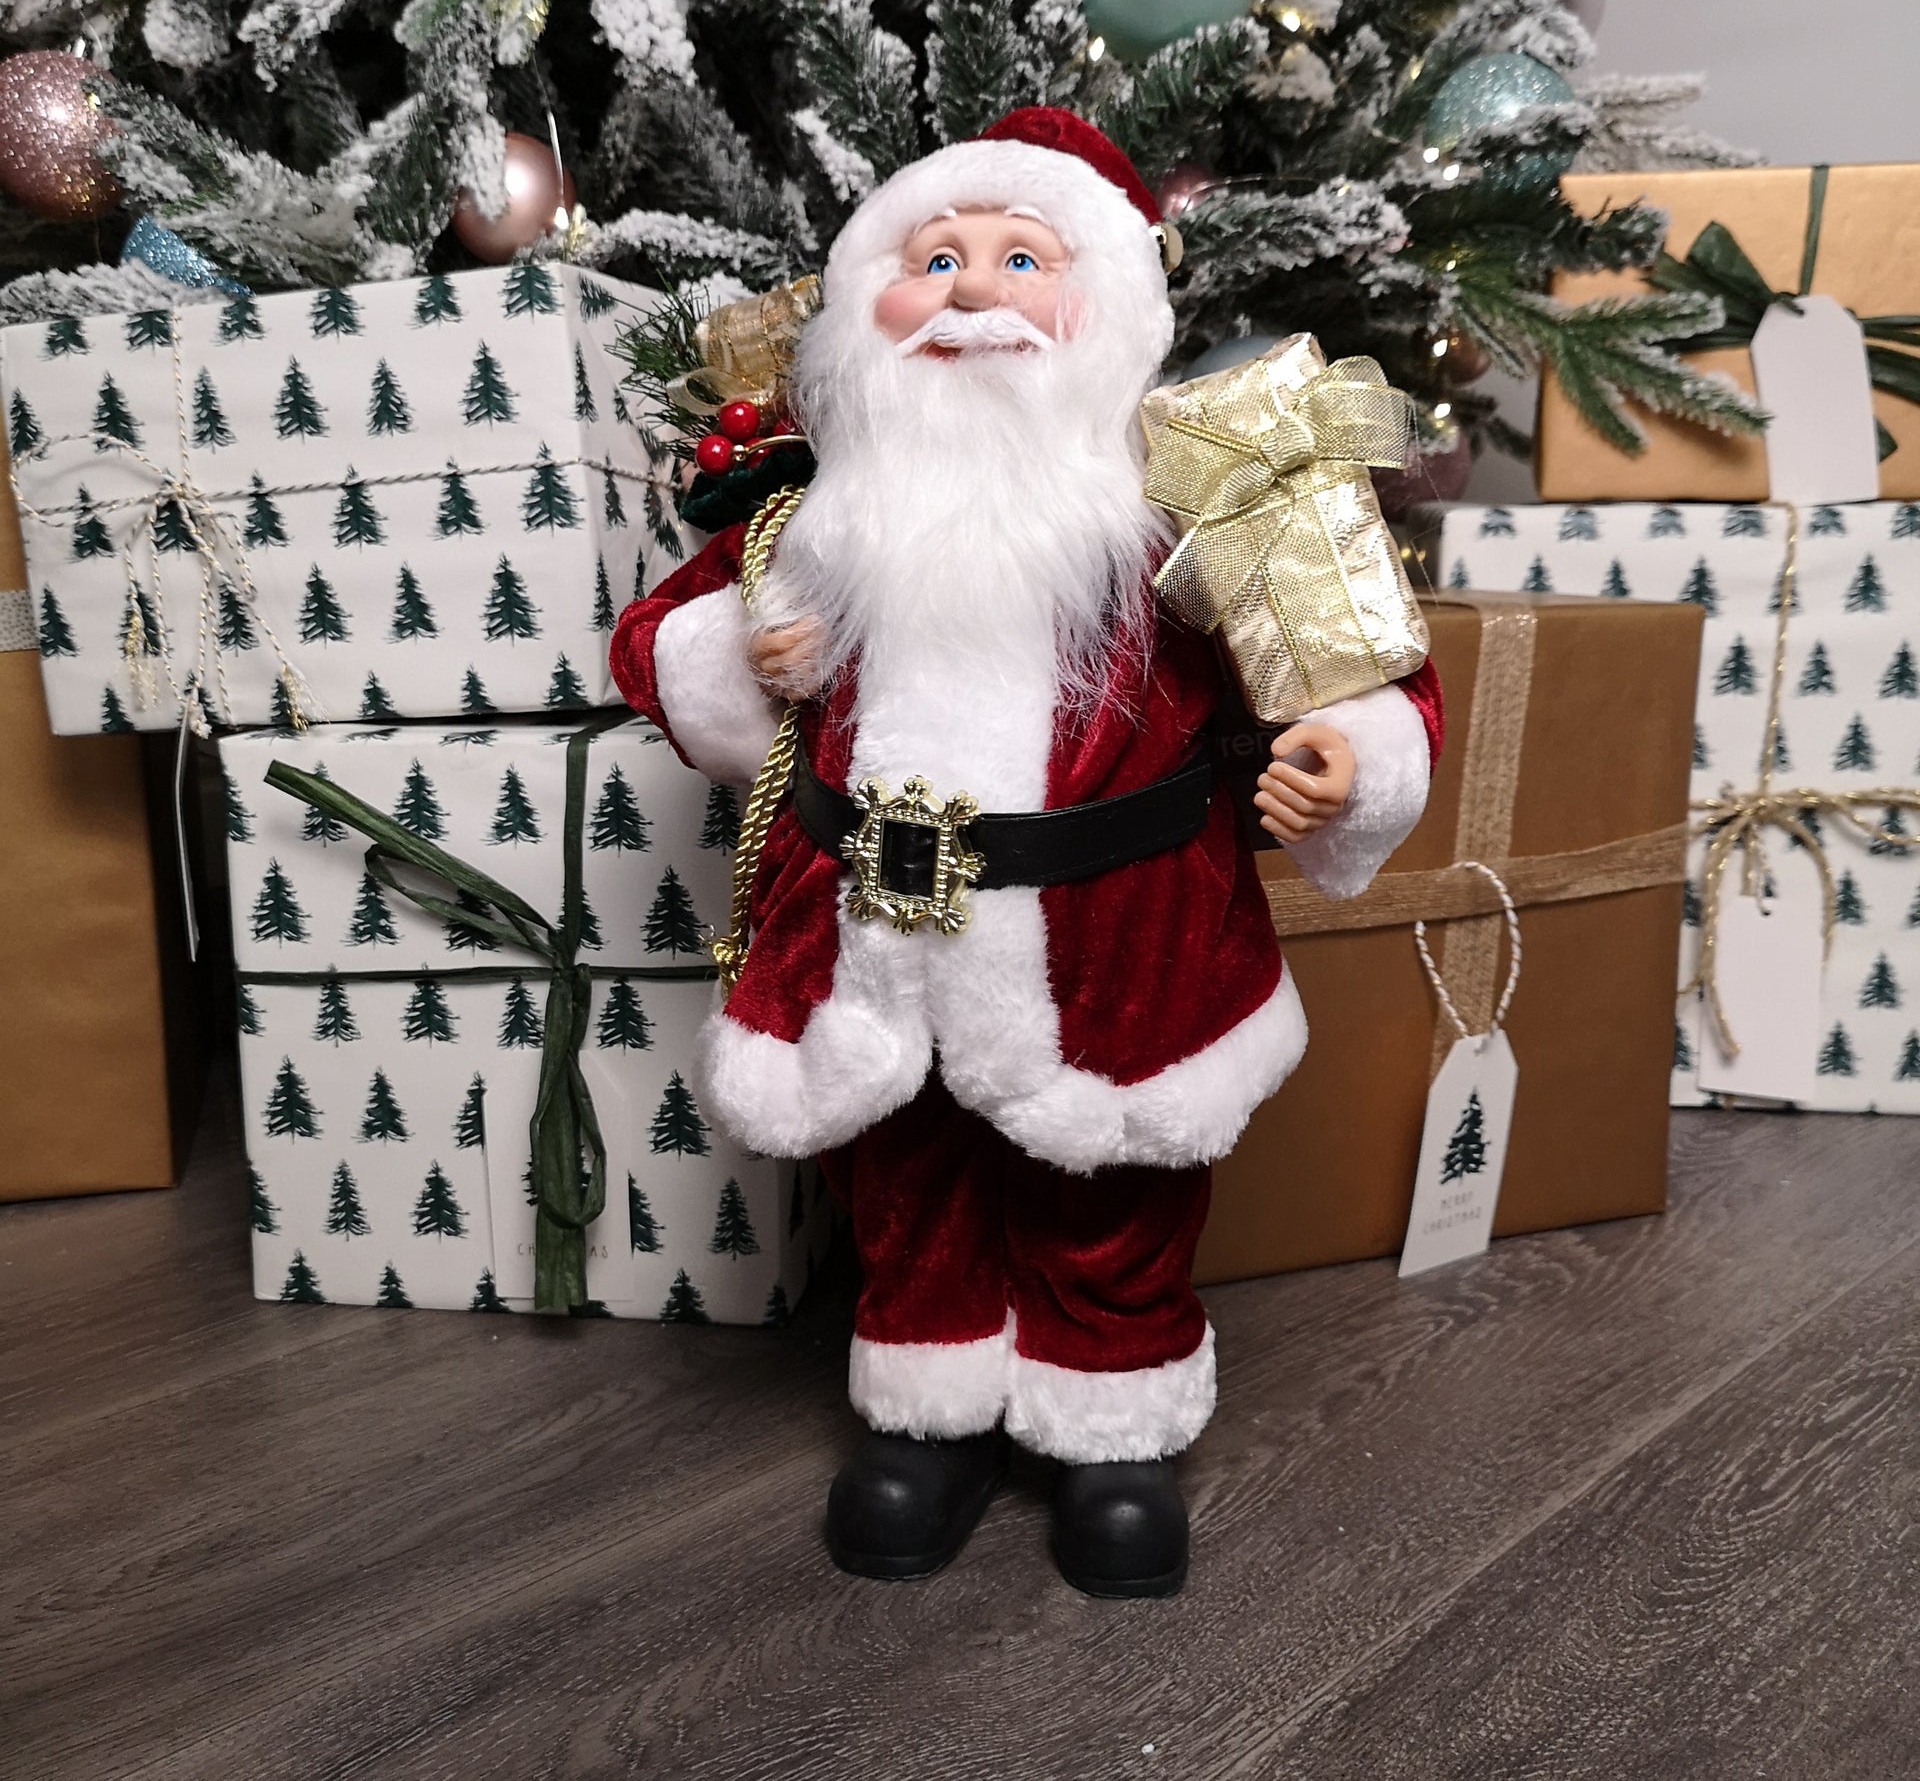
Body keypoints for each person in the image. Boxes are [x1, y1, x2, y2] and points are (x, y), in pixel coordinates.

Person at [612, 108, 1442, 1599]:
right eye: (933, 259)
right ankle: (926, 1407)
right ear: (864, 309)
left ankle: (1113, 1416)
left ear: (1105, 306)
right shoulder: (815, 513)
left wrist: (1347, 748)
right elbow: (659, 641)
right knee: (907, 1183)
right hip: (875, 939)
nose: (976, 291)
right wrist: (745, 647)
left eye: (1021, 258)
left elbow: (1357, 655)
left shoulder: (1187, 503)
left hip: (1119, 944)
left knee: (1112, 1192)